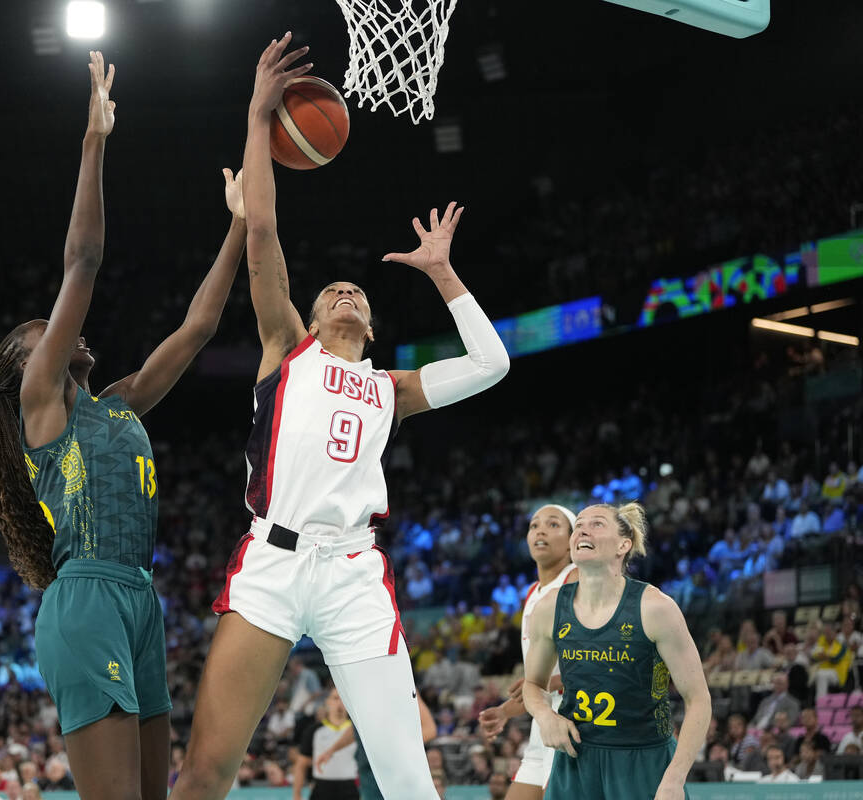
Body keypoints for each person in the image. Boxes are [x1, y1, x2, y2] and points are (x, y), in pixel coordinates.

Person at [169, 33, 510, 800]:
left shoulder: (392, 386)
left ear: (373, 325)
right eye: (331, 292)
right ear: (311, 318)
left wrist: (447, 275)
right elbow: (261, 232)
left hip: (355, 572)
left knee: (407, 780)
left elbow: (492, 365)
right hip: (274, 566)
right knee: (204, 774)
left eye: (357, 291)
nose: (345, 291)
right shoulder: (288, 349)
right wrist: (259, 117)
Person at [0, 52, 246, 800]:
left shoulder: (117, 404)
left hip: (138, 596)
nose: (63, 333)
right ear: (31, 363)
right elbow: (84, 262)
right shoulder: (41, 403)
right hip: (87, 600)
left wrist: (240, 227)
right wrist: (94, 141)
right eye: (45, 332)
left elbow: (197, 329)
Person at [522, 502, 712, 800]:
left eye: (597, 523)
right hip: (576, 763)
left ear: (624, 544)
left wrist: (674, 778)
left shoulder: (656, 608)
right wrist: (545, 716)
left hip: (643, 761)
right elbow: (532, 685)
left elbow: (698, 700)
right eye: (580, 524)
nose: (583, 528)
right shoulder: (548, 608)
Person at [478, 505, 578, 800]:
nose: (541, 530)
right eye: (534, 525)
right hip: (541, 730)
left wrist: (544, 684)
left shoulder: (576, 583)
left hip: (572, 726)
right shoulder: (533, 592)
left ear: (574, 542)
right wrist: (506, 712)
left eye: (553, 524)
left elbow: (594, 662)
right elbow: (539, 682)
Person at [295, 687, 358, 800]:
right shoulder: (314, 731)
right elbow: (301, 764)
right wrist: (297, 794)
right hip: (322, 788)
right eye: (335, 698)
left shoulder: (357, 731)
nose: (339, 703)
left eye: (343, 699)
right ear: (328, 702)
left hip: (350, 787)